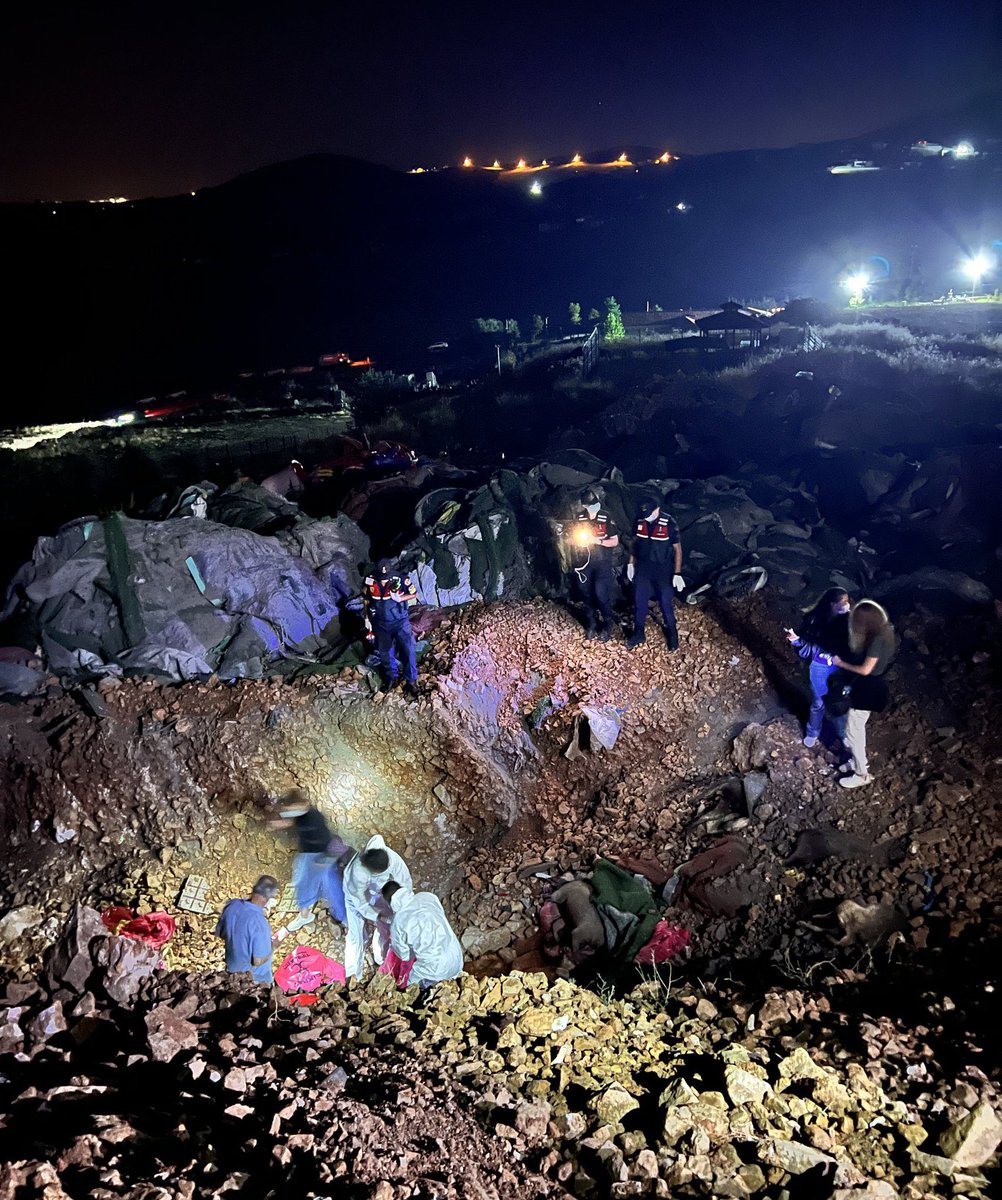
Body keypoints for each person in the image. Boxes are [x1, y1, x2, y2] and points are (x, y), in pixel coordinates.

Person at [833, 599, 896, 789]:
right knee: (856, 728)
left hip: (868, 688)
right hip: (872, 686)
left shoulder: (876, 640)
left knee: (853, 732)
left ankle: (862, 773)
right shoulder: (886, 631)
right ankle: (856, 760)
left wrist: (840, 663)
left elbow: (865, 670)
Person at [270, 793, 350, 932]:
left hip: (323, 855)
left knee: (331, 887)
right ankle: (305, 915)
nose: (289, 812)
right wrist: (281, 824)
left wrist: (325, 861)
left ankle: (344, 918)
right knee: (301, 882)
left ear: (301, 805)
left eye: (290, 809)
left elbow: (329, 840)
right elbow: (294, 822)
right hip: (307, 854)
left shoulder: (315, 818)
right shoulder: (300, 816)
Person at [786, 587, 851, 747]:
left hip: (840, 668)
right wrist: (795, 640)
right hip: (819, 668)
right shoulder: (815, 621)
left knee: (838, 704)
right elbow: (808, 645)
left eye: (847, 601)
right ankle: (813, 732)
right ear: (831, 604)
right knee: (818, 703)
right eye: (842, 602)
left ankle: (844, 736)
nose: (847, 605)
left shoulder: (850, 623)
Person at [343, 835, 413, 979]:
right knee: (355, 935)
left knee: (387, 925)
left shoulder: (392, 859)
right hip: (355, 897)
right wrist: (375, 915)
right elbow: (360, 902)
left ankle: (381, 958)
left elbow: (405, 883)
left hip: (380, 893)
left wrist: (402, 908)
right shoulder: (358, 872)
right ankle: (353, 975)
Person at [626, 495, 684, 651]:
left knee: (665, 602)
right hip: (643, 567)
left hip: (663, 569)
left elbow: (677, 549)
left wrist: (677, 573)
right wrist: (630, 564)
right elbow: (634, 543)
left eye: (650, 513)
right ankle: (638, 633)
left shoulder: (669, 522)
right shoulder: (640, 521)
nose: (647, 517)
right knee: (639, 601)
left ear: (657, 509)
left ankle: (672, 632)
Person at [381, 880, 464, 988]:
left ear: (389, 902)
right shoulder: (427, 896)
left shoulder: (397, 923)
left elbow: (404, 955)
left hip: (435, 969)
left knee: (409, 986)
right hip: (456, 956)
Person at [568, 487, 620, 641]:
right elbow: (573, 538)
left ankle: (607, 623)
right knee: (586, 593)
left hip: (602, 561)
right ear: (584, 506)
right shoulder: (580, 518)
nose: (591, 508)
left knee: (600, 593)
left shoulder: (606, 516)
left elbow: (614, 541)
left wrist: (597, 541)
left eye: (593, 504)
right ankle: (591, 622)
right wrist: (578, 542)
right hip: (585, 562)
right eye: (588, 506)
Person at [364, 559, 419, 697]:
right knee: (386, 653)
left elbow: (414, 594)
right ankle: (391, 678)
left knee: (408, 650)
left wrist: (401, 598)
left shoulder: (401, 579)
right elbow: (366, 599)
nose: (384, 581)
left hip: (400, 622)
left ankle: (411, 681)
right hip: (380, 623)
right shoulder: (371, 580)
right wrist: (366, 618)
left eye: (386, 578)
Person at [214, 875, 279, 985]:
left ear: (254, 888)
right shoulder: (259, 923)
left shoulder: (232, 905)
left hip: (231, 974)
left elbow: (221, 933)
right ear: (270, 897)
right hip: (254, 981)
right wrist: (273, 946)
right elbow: (257, 961)